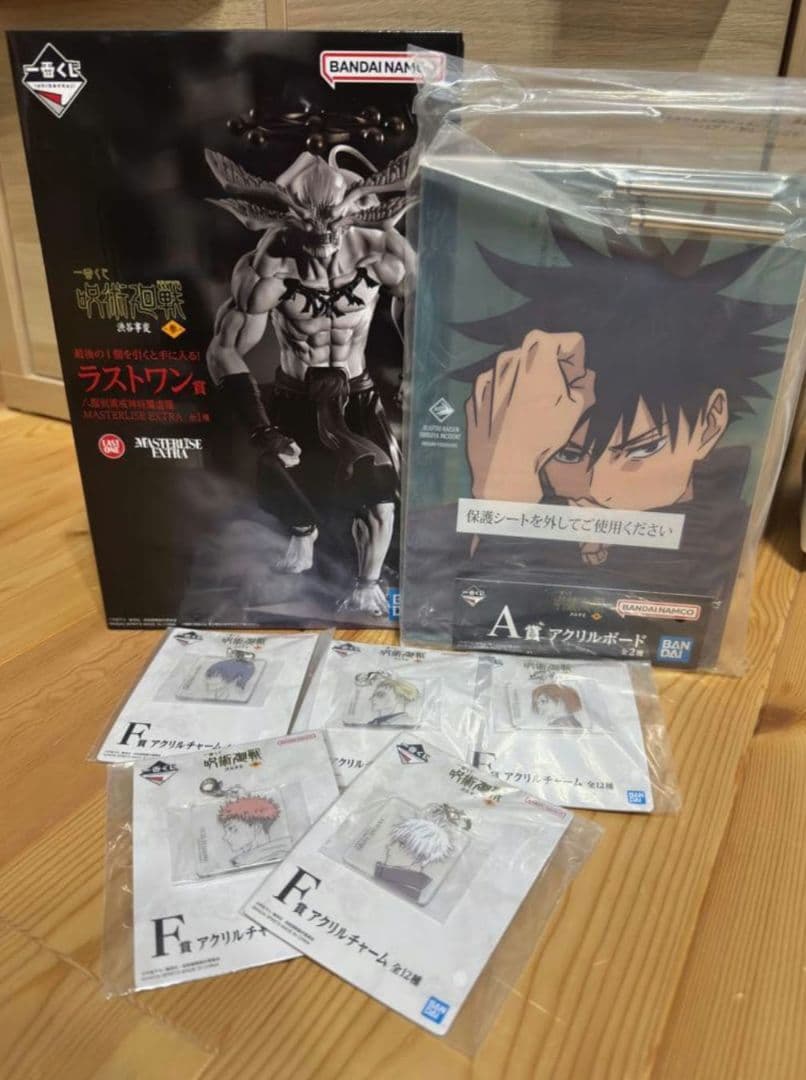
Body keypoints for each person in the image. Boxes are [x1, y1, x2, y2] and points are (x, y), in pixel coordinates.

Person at [206, 147, 413, 617]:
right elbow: (222, 350)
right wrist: (262, 429)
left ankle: (366, 585)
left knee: (380, 496)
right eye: (307, 223)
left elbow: (420, 301)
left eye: (332, 222)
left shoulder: (380, 251)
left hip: (355, 394)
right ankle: (303, 534)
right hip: (294, 393)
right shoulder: (268, 267)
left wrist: (415, 369)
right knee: (281, 482)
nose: (321, 234)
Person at [218, 794, 281, 868]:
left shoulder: (277, 855)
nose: (225, 837)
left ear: (256, 827)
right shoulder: (240, 861)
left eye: (232, 829)